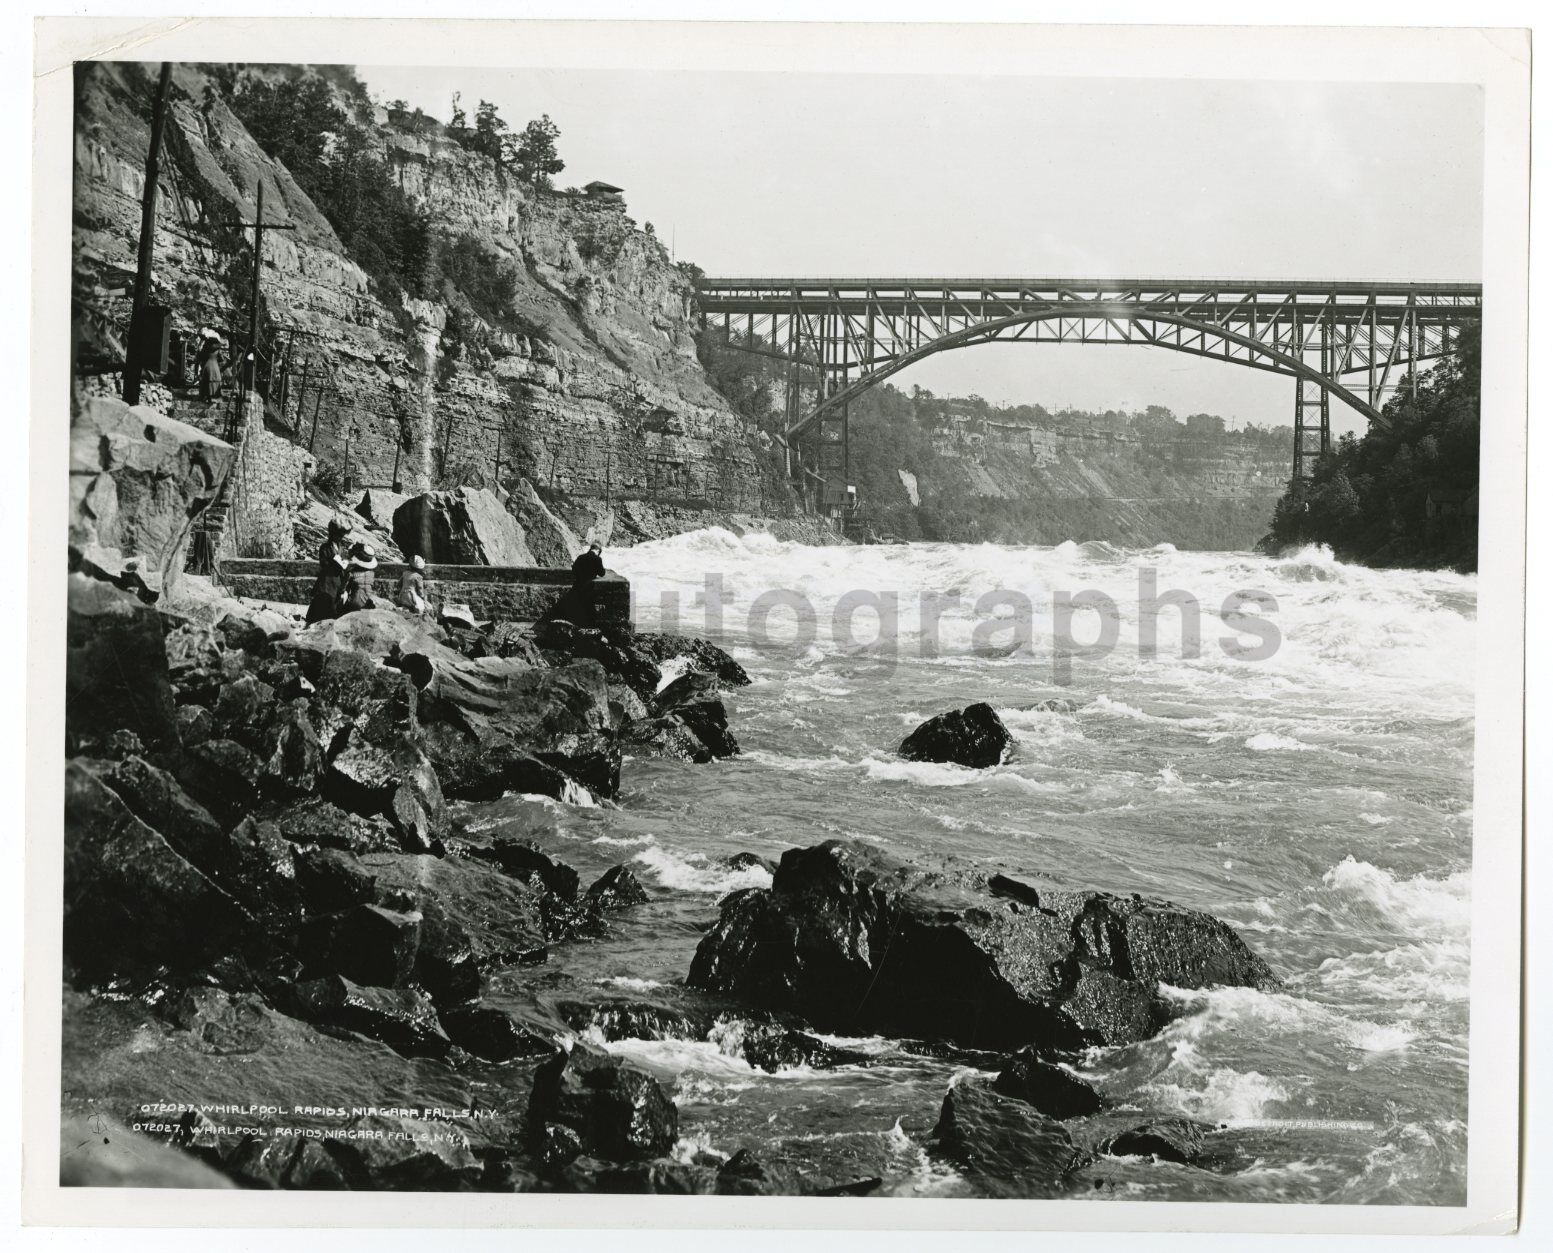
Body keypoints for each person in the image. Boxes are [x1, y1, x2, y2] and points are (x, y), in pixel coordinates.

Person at [304, 519, 350, 624]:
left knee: (333, 605)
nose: (341, 538)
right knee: (321, 602)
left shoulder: (341, 547)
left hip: (337, 581)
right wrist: (334, 563)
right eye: (339, 535)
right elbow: (323, 564)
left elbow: (343, 559)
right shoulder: (325, 548)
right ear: (333, 534)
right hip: (327, 581)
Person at [341, 542, 379, 614]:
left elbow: (344, 589)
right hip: (367, 602)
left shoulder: (351, 573)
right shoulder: (371, 574)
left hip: (355, 604)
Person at [195, 331, 226, 404]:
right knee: (215, 380)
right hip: (215, 367)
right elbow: (221, 359)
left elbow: (200, 358)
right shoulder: (218, 349)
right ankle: (215, 396)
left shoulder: (205, 349)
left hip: (206, 367)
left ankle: (206, 396)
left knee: (206, 381)